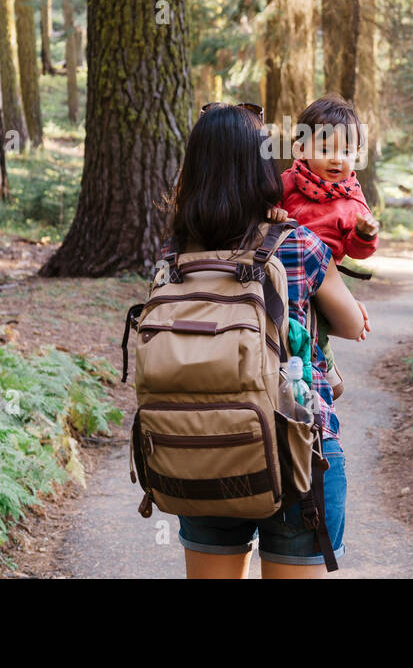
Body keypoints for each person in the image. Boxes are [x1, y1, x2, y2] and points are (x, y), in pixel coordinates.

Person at [159, 103, 368, 578]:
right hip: (297, 447)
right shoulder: (297, 244)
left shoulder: (175, 253)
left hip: (204, 448)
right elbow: (354, 326)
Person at [275, 95, 378, 397]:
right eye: (325, 149)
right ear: (300, 149)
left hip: (323, 279)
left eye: (346, 151)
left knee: (330, 321)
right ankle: (314, 367)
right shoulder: (286, 185)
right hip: (285, 273)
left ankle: (323, 360)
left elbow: (358, 251)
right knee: (294, 317)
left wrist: (364, 234)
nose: (337, 159)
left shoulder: (351, 199)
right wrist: (274, 212)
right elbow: (262, 216)